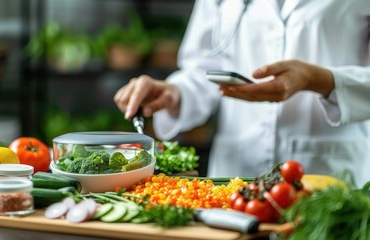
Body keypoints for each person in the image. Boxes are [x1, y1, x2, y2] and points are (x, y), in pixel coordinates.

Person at [113, 0, 370, 187]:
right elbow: (203, 68)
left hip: (329, 172)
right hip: (236, 173)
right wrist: (174, 93)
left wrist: (320, 80)